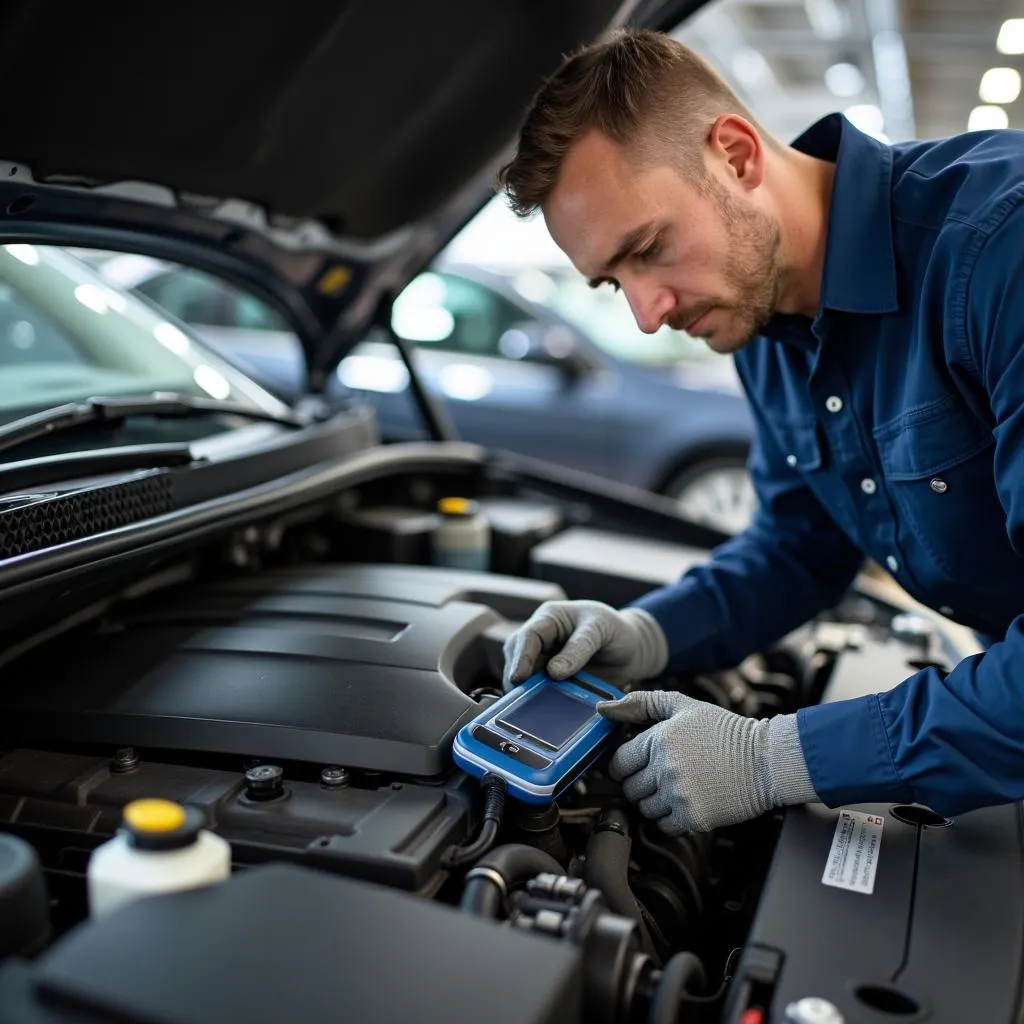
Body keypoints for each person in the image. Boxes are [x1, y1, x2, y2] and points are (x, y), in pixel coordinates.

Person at [496, 28, 1024, 837]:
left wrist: (778, 758)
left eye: (648, 249)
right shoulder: (758, 315)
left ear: (736, 154)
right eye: (613, 284)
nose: (646, 316)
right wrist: (649, 632)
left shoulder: (999, 254)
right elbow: (797, 546)